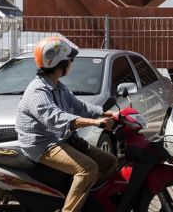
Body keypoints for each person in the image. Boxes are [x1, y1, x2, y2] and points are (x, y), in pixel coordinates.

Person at [16, 37, 118, 212]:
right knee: (88, 168)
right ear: (60, 64)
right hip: (42, 144)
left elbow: (79, 106)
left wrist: (107, 113)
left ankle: (85, 198)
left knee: (110, 162)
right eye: (70, 60)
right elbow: (56, 119)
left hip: (61, 139)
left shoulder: (58, 86)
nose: (72, 63)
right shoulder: (37, 91)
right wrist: (95, 122)